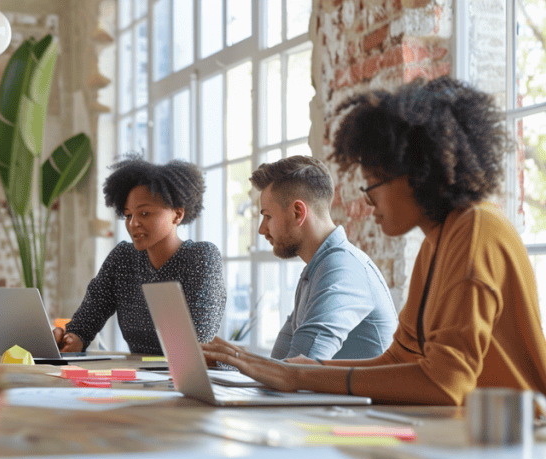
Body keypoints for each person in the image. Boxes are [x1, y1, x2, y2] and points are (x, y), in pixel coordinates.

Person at [202, 77, 546, 405]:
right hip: (465, 430)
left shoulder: (475, 233)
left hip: (515, 440)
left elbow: (446, 381)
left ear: (415, 176)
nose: (367, 200)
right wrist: (298, 371)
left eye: (372, 184)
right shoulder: (435, 244)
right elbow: (401, 357)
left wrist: (300, 376)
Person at [54, 155, 225, 355]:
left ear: (177, 215)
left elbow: (198, 343)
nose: (133, 223)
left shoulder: (201, 257)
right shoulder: (123, 259)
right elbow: (84, 323)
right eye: (128, 215)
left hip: (195, 380)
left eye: (144, 213)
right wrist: (72, 338)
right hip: (142, 379)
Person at [254, 155, 396, 361]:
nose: (261, 229)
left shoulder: (342, 269)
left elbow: (296, 372)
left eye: (267, 216)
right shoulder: (316, 270)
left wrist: (233, 356)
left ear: (297, 213)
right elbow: (280, 366)